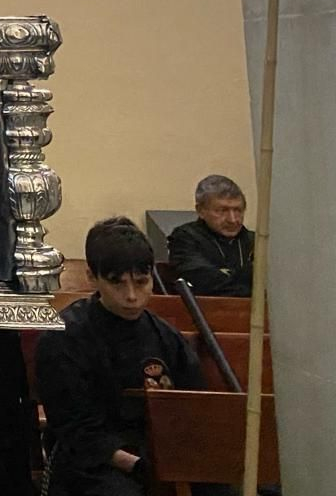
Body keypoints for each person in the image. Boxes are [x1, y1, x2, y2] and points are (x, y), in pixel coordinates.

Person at [37, 217, 207, 496]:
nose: (132, 296)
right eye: (118, 284)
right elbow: (76, 430)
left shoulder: (165, 336)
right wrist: (139, 465)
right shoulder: (64, 338)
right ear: (93, 277)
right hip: (92, 462)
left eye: (141, 282)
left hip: (159, 453)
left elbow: (193, 406)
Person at [166, 174, 254, 297]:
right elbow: (204, 282)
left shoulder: (255, 242)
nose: (233, 219)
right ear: (201, 210)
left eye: (238, 210)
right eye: (222, 211)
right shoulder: (185, 238)